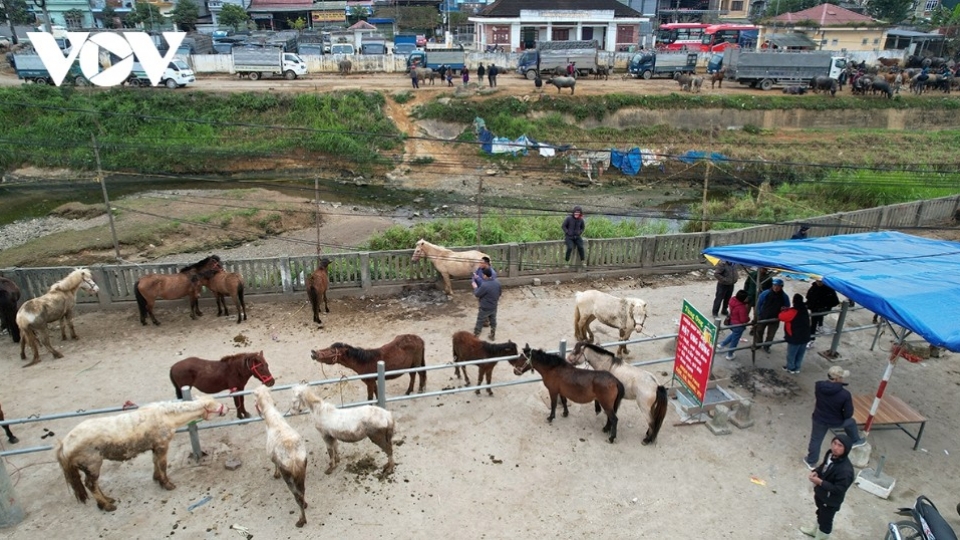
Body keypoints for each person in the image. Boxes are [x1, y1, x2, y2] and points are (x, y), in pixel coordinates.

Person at [803, 366, 864, 471]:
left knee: (816, 440)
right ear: (837, 379)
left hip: (819, 418)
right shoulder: (845, 394)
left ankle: (811, 461)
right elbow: (848, 413)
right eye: (842, 377)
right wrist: (842, 417)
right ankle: (855, 440)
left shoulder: (818, 386)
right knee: (851, 422)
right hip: (835, 421)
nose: (843, 379)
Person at [800, 434, 855, 539]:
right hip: (822, 494)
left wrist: (820, 482)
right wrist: (816, 471)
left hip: (830, 500)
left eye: (840, 446)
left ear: (846, 449)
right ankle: (815, 531)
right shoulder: (830, 454)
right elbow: (824, 466)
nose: (835, 448)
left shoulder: (845, 470)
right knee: (820, 513)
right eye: (834, 443)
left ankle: (821, 537)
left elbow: (839, 489)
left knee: (826, 522)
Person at [754, 278, 789, 353]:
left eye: (778, 286)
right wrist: (758, 314)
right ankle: (758, 343)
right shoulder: (765, 293)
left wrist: (784, 310)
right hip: (763, 317)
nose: (776, 287)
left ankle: (767, 346)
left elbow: (787, 307)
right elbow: (759, 304)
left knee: (771, 334)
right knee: (759, 331)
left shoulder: (784, 296)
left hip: (775, 319)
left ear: (781, 287)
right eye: (774, 285)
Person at [779, 293, 811, 373]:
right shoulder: (804, 309)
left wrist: (783, 311)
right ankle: (797, 368)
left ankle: (790, 368)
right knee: (800, 354)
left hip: (795, 336)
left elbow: (781, 317)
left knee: (791, 354)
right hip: (805, 335)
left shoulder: (793, 311)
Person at [806, 279, 840, 343]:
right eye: (817, 281)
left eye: (820, 281)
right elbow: (809, 296)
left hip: (821, 308)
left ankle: (811, 339)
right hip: (814, 308)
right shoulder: (814, 287)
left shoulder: (829, 289)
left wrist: (826, 307)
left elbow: (835, 301)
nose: (818, 283)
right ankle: (820, 326)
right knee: (814, 321)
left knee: (813, 323)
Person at [718, 290, 749, 360]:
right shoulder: (742, 308)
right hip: (738, 325)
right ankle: (730, 354)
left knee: (733, 335)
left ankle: (722, 344)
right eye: (746, 298)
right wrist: (748, 318)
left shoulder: (732, 300)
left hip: (732, 321)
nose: (748, 299)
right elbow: (743, 320)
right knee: (735, 340)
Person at [472, 266, 501, 340]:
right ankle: (492, 334)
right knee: (493, 320)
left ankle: (476, 336)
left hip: (485, 306)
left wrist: (475, 287)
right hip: (494, 306)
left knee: (480, 320)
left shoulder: (484, 285)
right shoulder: (497, 282)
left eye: (482, 274)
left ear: (485, 275)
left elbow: (477, 294)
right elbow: (499, 293)